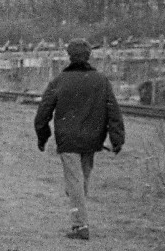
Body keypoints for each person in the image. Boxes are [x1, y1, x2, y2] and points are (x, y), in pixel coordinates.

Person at [33, 39, 125, 240]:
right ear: (89, 56)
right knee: (80, 181)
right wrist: (117, 139)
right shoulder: (101, 81)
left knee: (74, 183)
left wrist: (43, 137)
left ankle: (80, 225)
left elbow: (43, 112)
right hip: (92, 139)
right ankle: (79, 217)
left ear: (69, 56)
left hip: (68, 140)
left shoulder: (59, 81)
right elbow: (113, 111)